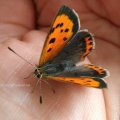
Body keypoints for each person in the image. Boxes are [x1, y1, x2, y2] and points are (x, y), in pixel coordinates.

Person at [0, 0, 119, 119]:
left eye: (37, 72)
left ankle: (92, 71)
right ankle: (89, 67)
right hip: (68, 58)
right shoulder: (43, 68)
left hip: (68, 62)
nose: (36, 72)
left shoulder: (43, 68)